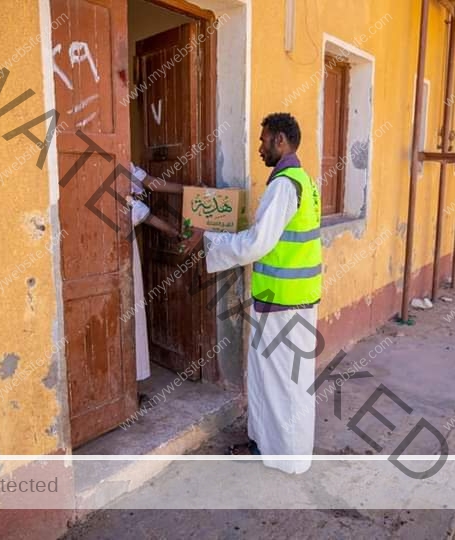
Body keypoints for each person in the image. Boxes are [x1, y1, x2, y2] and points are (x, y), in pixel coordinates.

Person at [202, 113, 322, 474]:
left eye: (264, 140)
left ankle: (284, 455)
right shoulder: (304, 180)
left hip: (283, 303)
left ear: (281, 141)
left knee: (282, 383)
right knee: (279, 379)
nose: (260, 148)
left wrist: (209, 240)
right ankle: (268, 446)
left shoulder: (285, 185)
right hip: (290, 299)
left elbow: (257, 243)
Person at [127, 163, 203, 383]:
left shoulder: (120, 157)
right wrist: (172, 230)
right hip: (111, 244)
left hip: (127, 242)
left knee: (132, 305)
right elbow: (137, 211)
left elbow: (150, 182)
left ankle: (132, 379)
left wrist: (187, 190)